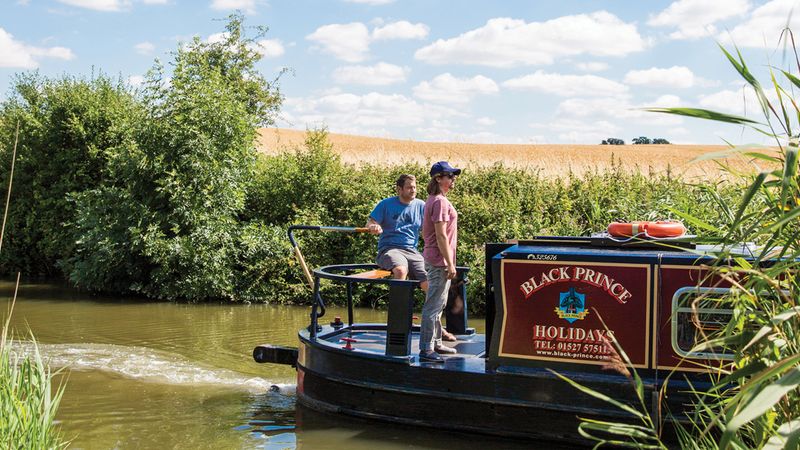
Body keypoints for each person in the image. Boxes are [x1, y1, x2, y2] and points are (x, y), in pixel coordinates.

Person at [419, 161, 461, 363]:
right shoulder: (440, 202)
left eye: (453, 175)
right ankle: (426, 350)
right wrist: (449, 263)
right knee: (433, 306)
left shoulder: (434, 200)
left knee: (439, 303)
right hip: (439, 261)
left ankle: (435, 343)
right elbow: (441, 235)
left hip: (435, 259)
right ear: (438, 178)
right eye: (449, 175)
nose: (453, 179)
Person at [366, 174, 429, 291]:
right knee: (401, 270)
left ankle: (432, 310)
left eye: (414, 187)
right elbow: (370, 223)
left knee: (427, 280)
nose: (413, 190)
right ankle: (398, 309)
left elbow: (429, 229)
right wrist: (374, 226)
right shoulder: (385, 204)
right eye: (409, 187)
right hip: (389, 250)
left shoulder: (421, 205)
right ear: (399, 189)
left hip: (412, 251)